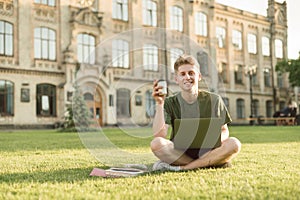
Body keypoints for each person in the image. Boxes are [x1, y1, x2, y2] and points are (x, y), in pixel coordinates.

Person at [150, 54, 241, 171]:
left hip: (208, 151)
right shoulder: (169, 102)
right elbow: (159, 135)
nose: (187, 77)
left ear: (199, 76)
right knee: (156, 144)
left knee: (234, 143)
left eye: (191, 73)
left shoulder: (214, 100)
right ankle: (210, 162)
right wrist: (159, 104)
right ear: (176, 79)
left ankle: (183, 168)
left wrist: (213, 141)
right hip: (181, 153)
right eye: (182, 74)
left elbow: (224, 130)